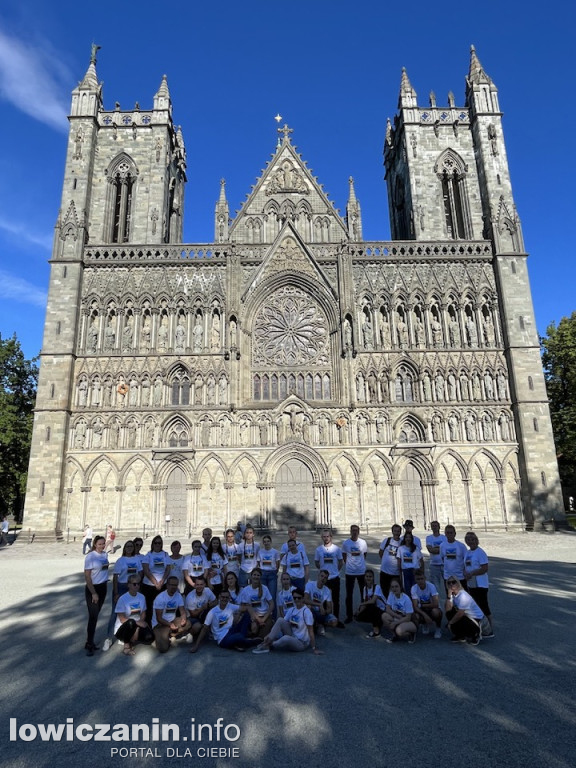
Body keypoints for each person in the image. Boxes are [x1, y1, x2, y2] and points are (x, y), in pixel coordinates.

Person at [103, 539, 142, 651]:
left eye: (131, 546)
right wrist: (116, 592)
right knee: (115, 612)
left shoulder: (137, 559)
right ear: (124, 548)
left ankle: (124, 634)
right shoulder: (120, 560)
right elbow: (115, 577)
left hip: (133, 587)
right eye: (127, 546)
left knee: (130, 612)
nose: (129, 548)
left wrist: (137, 585)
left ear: (134, 548)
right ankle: (108, 638)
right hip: (122, 586)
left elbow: (140, 572)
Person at [252, 591, 322, 654]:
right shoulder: (292, 609)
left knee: (286, 638)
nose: (297, 600)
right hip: (292, 635)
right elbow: (281, 624)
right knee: (280, 620)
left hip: (301, 642)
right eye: (295, 598)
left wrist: (314, 648)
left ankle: (269, 645)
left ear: (303, 599)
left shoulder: (306, 612)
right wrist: (269, 635)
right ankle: (267, 641)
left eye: (299, 598)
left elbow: (311, 631)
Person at [189, 591, 258, 653]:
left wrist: (253, 621)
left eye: (226, 597)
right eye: (223, 597)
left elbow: (248, 608)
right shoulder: (213, 612)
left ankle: (239, 642)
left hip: (231, 631)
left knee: (247, 615)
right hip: (222, 638)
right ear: (219, 597)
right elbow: (204, 628)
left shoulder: (230, 606)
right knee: (240, 637)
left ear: (229, 598)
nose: (224, 599)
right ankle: (250, 641)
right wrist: (196, 646)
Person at [114, 575, 153, 655]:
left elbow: (143, 613)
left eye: (139, 584)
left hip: (137, 625)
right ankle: (126, 646)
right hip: (123, 628)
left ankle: (132, 637)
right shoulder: (122, 599)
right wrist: (137, 623)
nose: (137, 586)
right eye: (134, 584)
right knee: (131, 622)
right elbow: (122, 619)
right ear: (128, 585)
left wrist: (138, 626)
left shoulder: (142, 597)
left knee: (149, 637)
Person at [464, 531, 494, 636]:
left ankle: (490, 628)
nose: (470, 542)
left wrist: (472, 573)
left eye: (472, 539)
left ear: (476, 540)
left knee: (483, 605)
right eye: (468, 540)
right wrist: (466, 574)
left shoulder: (480, 552)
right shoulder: (468, 553)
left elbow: (484, 568)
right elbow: (466, 566)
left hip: (481, 584)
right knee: (476, 606)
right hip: (471, 583)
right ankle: (480, 627)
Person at [84, 535, 109, 656]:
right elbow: (87, 576)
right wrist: (93, 593)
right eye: (99, 544)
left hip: (103, 587)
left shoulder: (105, 555)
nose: (102, 546)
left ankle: (89, 641)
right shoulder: (90, 556)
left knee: (96, 615)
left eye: (103, 543)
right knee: (93, 616)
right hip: (93, 588)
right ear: (95, 544)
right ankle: (89, 643)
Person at [152, 576, 190, 653]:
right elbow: (159, 619)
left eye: (175, 585)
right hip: (160, 624)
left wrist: (183, 619)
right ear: (167, 585)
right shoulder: (160, 598)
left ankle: (170, 635)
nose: (174, 587)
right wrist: (170, 625)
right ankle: (166, 637)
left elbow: (182, 611)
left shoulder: (178, 595)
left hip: (173, 621)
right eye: (172, 585)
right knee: (163, 649)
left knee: (188, 623)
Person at [445, 577, 485, 645]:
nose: (451, 584)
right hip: (467, 616)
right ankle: (461, 636)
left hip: (476, 619)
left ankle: (475, 634)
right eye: (449, 583)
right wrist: (449, 596)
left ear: (458, 583)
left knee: (459, 618)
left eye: (453, 582)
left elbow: (460, 613)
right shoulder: (453, 595)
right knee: (449, 613)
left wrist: (450, 623)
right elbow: (447, 609)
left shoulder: (463, 595)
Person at [314, 530, 344, 621]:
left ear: (331, 537)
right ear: (321, 538)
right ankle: (324, 619)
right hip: (324, 579)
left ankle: (336, 619)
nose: (326, 538)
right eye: (324, 536)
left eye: (328, 536)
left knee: (336, 600)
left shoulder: (337, 549)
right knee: (323, 600)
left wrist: (336, 571)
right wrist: (322, 571)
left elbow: (341, 562)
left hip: (334, 578)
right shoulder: (318, 550)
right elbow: (316, 562)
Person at [342, 524, 368, 623]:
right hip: (350, 572)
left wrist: (359, 563)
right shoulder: (346, 543)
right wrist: (349, 564)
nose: (355, 532)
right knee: (349, 595)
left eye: (356, 530)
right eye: (353, 530)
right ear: (350, 531)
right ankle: (349, 616)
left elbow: (364, 555)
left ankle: (362, 614)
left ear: (359, 532)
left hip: (361, 571)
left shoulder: (363, 542)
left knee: (363, 594)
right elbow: (344, 555)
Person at [141, 535, 171, 620]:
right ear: (152, 544)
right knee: (149, 607)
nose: (157, 544)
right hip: (149, 585)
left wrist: (162, 581)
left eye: (159, 543)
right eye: (156, 543)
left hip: (162, 584)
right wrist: (155, 582)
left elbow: (168, 569)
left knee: (162, 606)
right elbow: (146, 570)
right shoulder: (148, 555)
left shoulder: (165, 554)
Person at [239, 567, 274, 639]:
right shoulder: (246, 590)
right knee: (253, 629)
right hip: (253, 616)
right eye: (254, 575)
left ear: (260, 577)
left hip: (264, 615)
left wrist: (264, 619)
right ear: (251, 576)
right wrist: (256, 619)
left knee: (263, 635)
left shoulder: (265, 588)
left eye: (258, 575)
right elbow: (243, 606)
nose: (256, 577)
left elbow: (272, 604)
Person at [381, 578, 418, 643]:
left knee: (399, 631)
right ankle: (394, 635)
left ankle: (411, 633)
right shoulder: (391, 594)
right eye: (392, 587)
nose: (394, 589)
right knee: (384, 616)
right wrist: (398, 616)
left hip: (410, 621)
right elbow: (387, 609)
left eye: (396, 586)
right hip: (399, 617)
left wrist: (395, 623)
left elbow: (408, 618)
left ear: (400, 587)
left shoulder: (406, 599)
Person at [304, 570, 338, 636]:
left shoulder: (327, 590)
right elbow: (305, 600)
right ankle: (314, 625)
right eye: (322, 576)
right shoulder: (309, 584)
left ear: (327, 580)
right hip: (311, 610)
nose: (323, 579)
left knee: (334, 622)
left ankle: (320, 624)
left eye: (325, 578)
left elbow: (330, 609)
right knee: (308, 607)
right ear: (318, 576)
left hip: (320, 612)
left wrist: (325, 612)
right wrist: (319, 604)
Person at [410, 570, 442, 639]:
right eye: (418, 579)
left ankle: (438, 628)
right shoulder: (414, 588)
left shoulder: (431, 586)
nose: (420, 581)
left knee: (436, 612)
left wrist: (422, 605)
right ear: (415, 580)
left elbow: (436, 604)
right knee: (415, 615)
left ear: (425, 578)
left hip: (432, 608)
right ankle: (424, 624)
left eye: (422, 578)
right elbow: (415, 606)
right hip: (422, 609)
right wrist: (425, 615)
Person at [355, 569, 386, 637]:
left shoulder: (377, 587)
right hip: (374, 608)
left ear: (373, 578)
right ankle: (378, 622)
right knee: (359, 616)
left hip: (382, 609)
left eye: (370, 576)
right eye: (367, 576)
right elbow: (365, 602)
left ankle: (376, 631)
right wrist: (359, 611)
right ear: (364, 577)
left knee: (371, 607)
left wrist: (361, 604)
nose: (368, 578)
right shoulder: (365, 588)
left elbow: (373, 601)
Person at [185, 576, 217, 640]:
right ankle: (188, 633)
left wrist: (208, 605)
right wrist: (202, 608)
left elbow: (216, 601)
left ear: (204, 585)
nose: (199, 586)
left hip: (202, 613)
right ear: (194, 585)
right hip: (191, 617)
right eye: (197, 584)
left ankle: (211, 631)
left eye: (201, 584)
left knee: (214, 611)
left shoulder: (207, 590)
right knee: (197, 626)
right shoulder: (190, 597)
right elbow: (193, 614)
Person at [440, 525, 468, 593]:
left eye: (451, 533)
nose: (449, 534)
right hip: (448, 577)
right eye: (447, 533)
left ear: (455, 533)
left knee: (462, 597)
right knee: (450, 597)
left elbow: (466, 560)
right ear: (445, 534)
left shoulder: (461, 546)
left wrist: (465, 572)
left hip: (460, 576)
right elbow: (443, 558)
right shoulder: (442, 545)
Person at [257, 534, 280, 610]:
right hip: (263, 573)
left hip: (272, 574)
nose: (266, 543)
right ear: (263, 543)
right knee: (264, 595)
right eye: (265, 542)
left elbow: (277, 563)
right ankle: (264, 612)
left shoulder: (275, 552)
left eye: (268, 541)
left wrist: (275, 571)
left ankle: (273, 614)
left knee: (272, 595)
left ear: (271, 542)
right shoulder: (260, 552)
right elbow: (258, 562)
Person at [378, 524, 403, 596]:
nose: (396, 533)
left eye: (398, 531)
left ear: (400, 532)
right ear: (392, 532)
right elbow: (380, 552)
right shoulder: (387, 541)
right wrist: (386, 561)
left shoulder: (402, 543)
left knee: (395, 592)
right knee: (384, 591)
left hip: (396, 573)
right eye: (395, 531)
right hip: (384, 571)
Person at [396, 531, 423, 596]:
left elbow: (421, 560)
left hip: (415, 570)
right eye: (406, 537)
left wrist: (422, 572)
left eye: (410, 537)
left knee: (415, 590)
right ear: (404, 539)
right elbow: (399, 560)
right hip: (406, 571)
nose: (408, 539)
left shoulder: (416, 548)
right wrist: (399, 572)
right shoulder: (400, 548)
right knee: (407, 589)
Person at [426, 521, 447, 599]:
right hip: (434, 565)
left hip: (444, 564)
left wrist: (435, 549)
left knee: (448, 584)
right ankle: (437, 601)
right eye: (433, 526)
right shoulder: (429, 538)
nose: (434, 527)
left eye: (436, 526)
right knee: (435, 586)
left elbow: (445, 550)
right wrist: (440, 549)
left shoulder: (444, 537)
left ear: (439, 527)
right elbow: (430, 550)